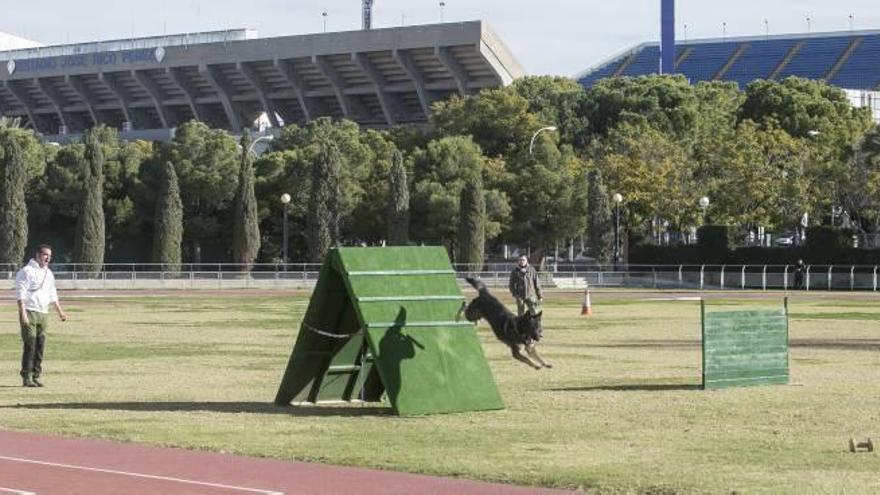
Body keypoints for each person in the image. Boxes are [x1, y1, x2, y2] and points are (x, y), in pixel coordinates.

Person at [16, 244, 67, 388]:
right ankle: (27, 376)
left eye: (50, 256)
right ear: (38, 254)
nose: (48, 258)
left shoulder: (49, 273)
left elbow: (52, 294)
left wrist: (60, 312)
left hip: (43, 313)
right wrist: (23, 314)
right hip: (30, 312)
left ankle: (36, 375)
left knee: (40, 346)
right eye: (45, 255)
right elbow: (20, 294)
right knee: (30, 345)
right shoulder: (26, 271)